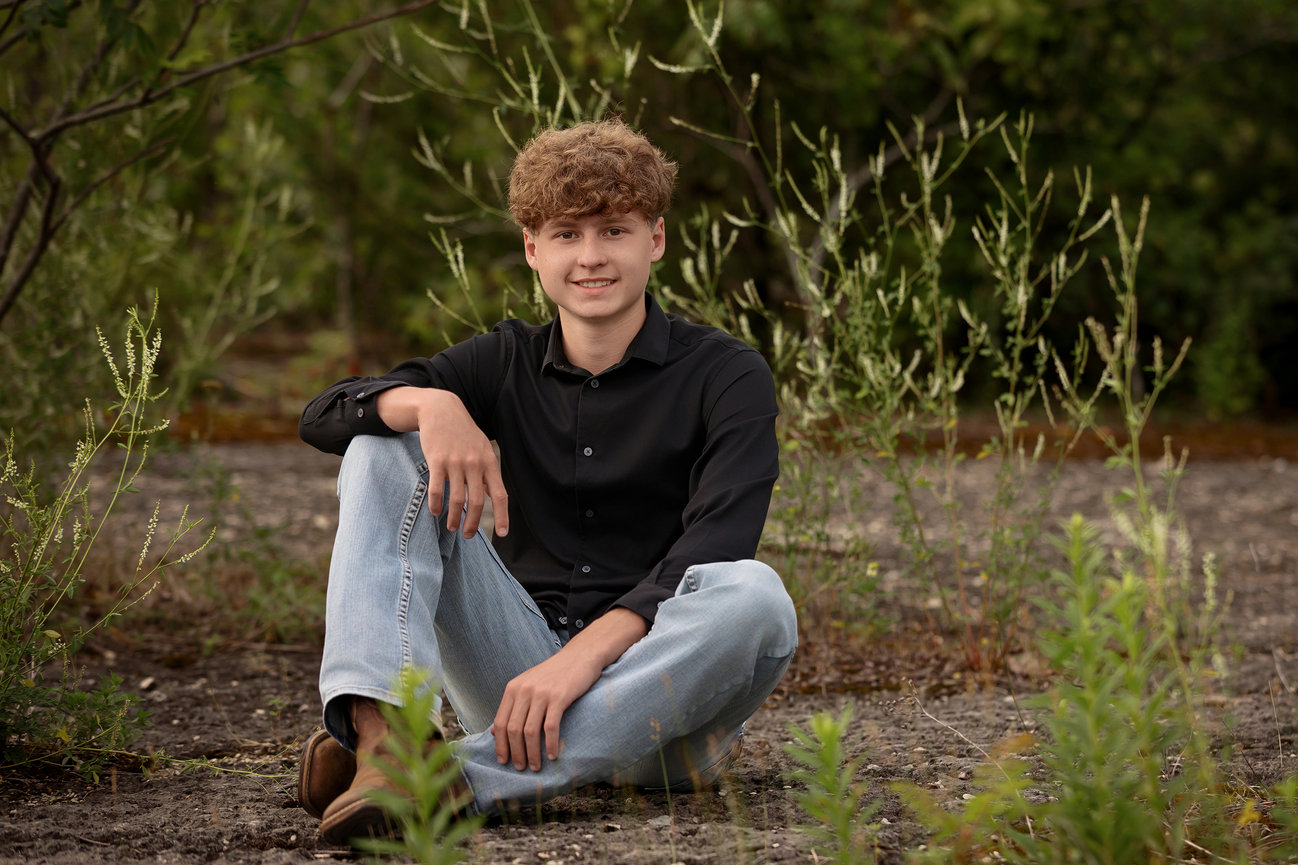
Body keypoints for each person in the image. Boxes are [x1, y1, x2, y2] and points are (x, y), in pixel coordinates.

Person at [296, 117, 798, 845]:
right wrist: (431, 405)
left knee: (757, 597)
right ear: (533, 250)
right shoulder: (502, 362)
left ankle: (457, 775)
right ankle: (387, 739)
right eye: (567, 234)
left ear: (655, 239)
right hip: (516, 686)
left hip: (668, 709)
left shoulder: (727, 374)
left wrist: (579, 660)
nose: (591, 257)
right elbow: (322, 415)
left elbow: (717, 541)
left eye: (614, 231)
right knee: (381, 446)